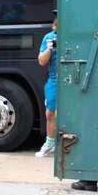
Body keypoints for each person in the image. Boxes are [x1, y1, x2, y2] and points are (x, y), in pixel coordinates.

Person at [35, 13, 57, 157]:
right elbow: (42, 61)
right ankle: (50, 143)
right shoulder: (49, 37)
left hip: (71, 78)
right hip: (54, 79)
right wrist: (49, 48)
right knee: (50, 112)